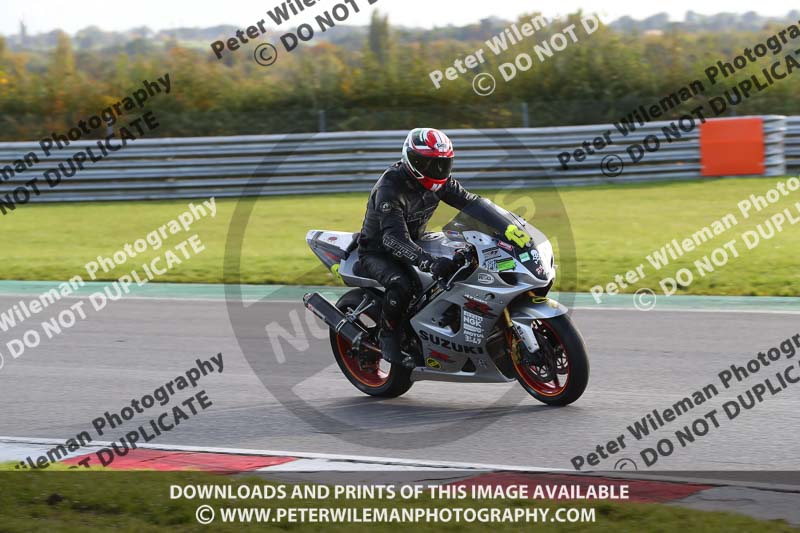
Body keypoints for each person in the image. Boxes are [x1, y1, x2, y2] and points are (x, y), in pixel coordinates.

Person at [357, 128, 480, 368]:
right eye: (429, 163)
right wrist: (429, 262)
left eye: (443, 164)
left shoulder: (441, 183)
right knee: (403, 285)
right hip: (378, 251)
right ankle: (388, 335)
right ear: (412, 160)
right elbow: (393, 239)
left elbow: (471, 203)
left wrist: (506, 224)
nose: (437, 170)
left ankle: (453, 321)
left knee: (466, 260)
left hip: (416, 240)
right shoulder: (390, 189)